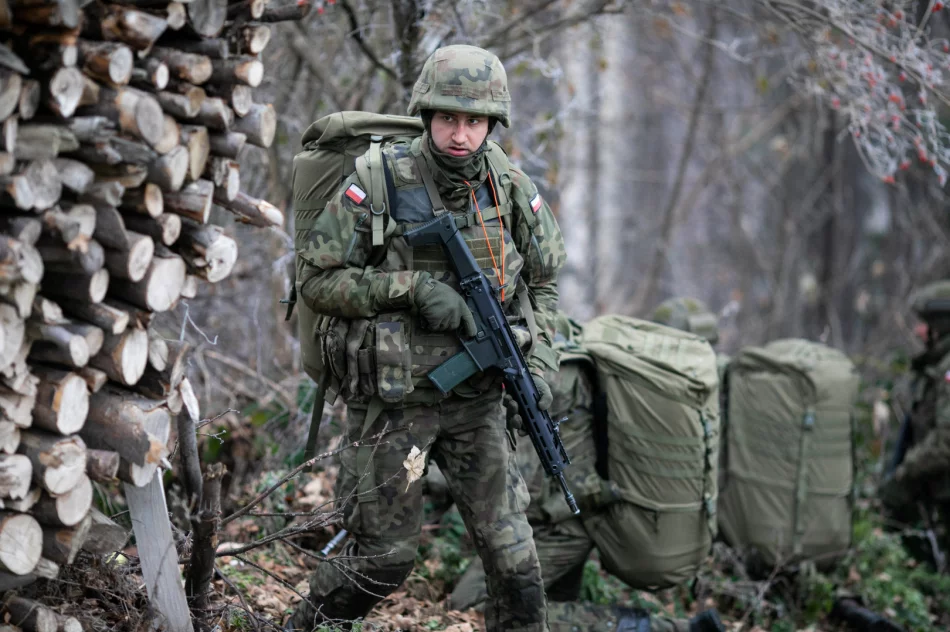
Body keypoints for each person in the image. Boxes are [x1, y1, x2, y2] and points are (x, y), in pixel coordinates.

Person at [288, 44, 566, 631]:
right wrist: (409, 289)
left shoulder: (508, 187)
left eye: (473, 121)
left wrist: (540, 366)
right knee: (386, 560)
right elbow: (316, 279)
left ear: (492, 123)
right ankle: (300, 625)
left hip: (479, 405)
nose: (460, 134)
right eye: (447, 118)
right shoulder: (379, 180)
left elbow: (543, 287)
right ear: (426, 115)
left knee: (516, 563)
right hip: (396, 405)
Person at [450, 313, 724, 632]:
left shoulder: (548, 376)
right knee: (547, 607)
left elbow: (530, 486)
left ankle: (674, 629)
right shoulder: (560, 354)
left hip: (566, 521)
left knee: (472, 610)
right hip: (575, 508)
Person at [880, 280, 950, 560]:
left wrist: (907, 471)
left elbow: (946, 440)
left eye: (925, 323)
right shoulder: (936, 366)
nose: (918, 331)